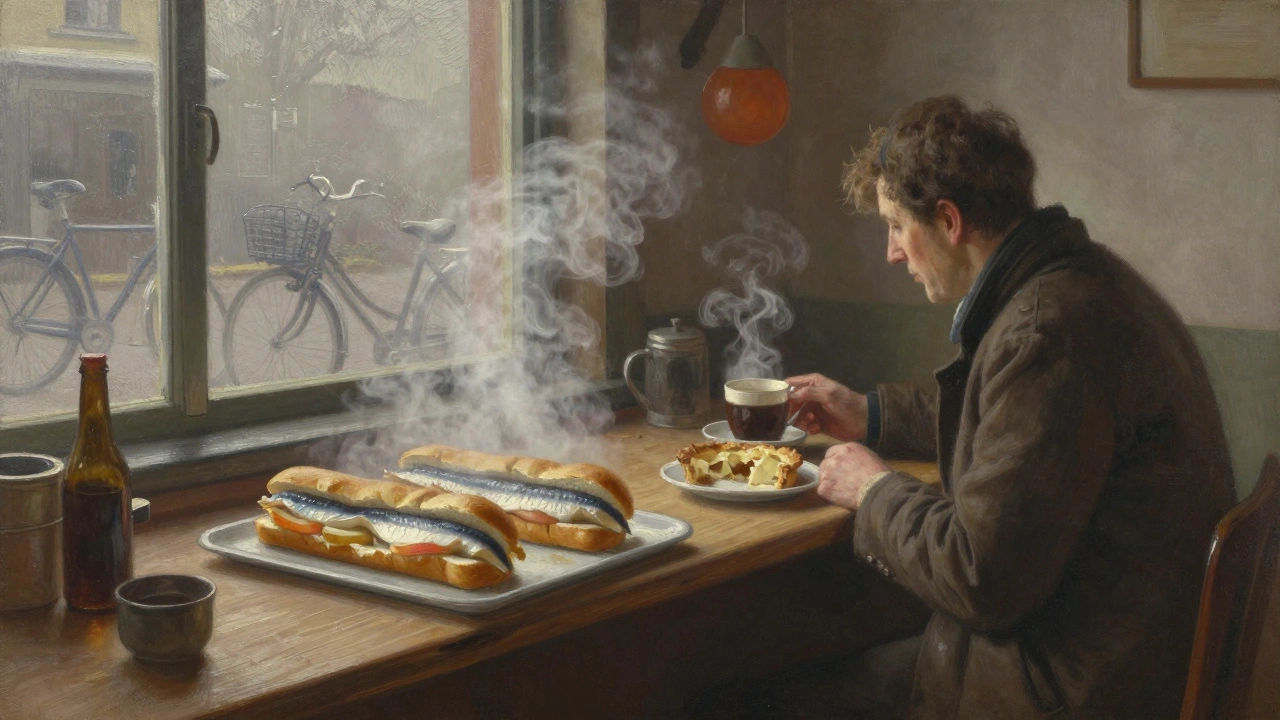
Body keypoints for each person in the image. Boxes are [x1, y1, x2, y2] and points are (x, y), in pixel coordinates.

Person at [778, 95, 1236, 718]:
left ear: (947, 221)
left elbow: (978, 576)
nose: (891, 253)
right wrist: (871, 414)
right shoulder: (1081, 283)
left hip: (1068, 689)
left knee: (755, 699)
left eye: (895, 226)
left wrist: (873, 490)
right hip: (1112, 658)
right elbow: (1006, 422)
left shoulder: (1045, 334)